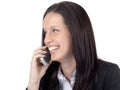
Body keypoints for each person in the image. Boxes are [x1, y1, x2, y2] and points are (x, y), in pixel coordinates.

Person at [26, 1, 120, 90]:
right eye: (45, 32)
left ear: (76, 32)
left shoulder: (109, 74)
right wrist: (33, 83)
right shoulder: (45, 78)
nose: (46, 40)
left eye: (55, 30)